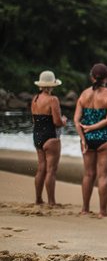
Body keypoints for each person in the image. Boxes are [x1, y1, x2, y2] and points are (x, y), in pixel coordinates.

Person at [74, 63, 107, 218]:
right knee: (103, 176)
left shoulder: (84, 94)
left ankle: (85, 209)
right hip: (106, 138)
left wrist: (83, 138)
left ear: (92, 77)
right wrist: (92, 128)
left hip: (87, 139)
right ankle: (103, 212)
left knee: (88, 175)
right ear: (106, 78)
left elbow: (76, 120)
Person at [31, 70, 67, 206]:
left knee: (41, 168)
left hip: (37, 136)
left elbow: (34, 120)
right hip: (51, 137)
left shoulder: (35, 99)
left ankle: (38, 199)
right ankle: (52, 201)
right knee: (51, 170)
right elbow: (57, 122)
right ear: (52, 85)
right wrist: (64, 121)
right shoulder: (53, 100)